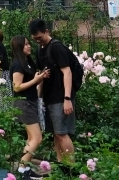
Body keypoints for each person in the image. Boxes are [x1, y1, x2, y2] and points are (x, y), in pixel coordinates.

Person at [29, 18, 76, 167]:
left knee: (62, 133)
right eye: (34, 39)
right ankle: (60, 164)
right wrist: (39, 97)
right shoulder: (39, 50)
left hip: (61, 97)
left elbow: (67, 72)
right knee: (56, 133)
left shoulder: (56, 47)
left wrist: (67, 98)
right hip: (49, 97)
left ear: (46, 31)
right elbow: (42, 74)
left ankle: (71, 167)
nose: (37, 41)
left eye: (39, 37)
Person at [10, 35, 50, 179]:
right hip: (24, 103)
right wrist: (36, 79)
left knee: (30, 138)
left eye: (28, 44)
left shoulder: (27, 62)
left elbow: (33, 80)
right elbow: (17, 86)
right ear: (19, 47)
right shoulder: (17, 64)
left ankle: (25, 169)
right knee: (37, 138)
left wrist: (40, 77)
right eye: (26, 44)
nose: (29, 46)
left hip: (31, 102)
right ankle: (21, 169)